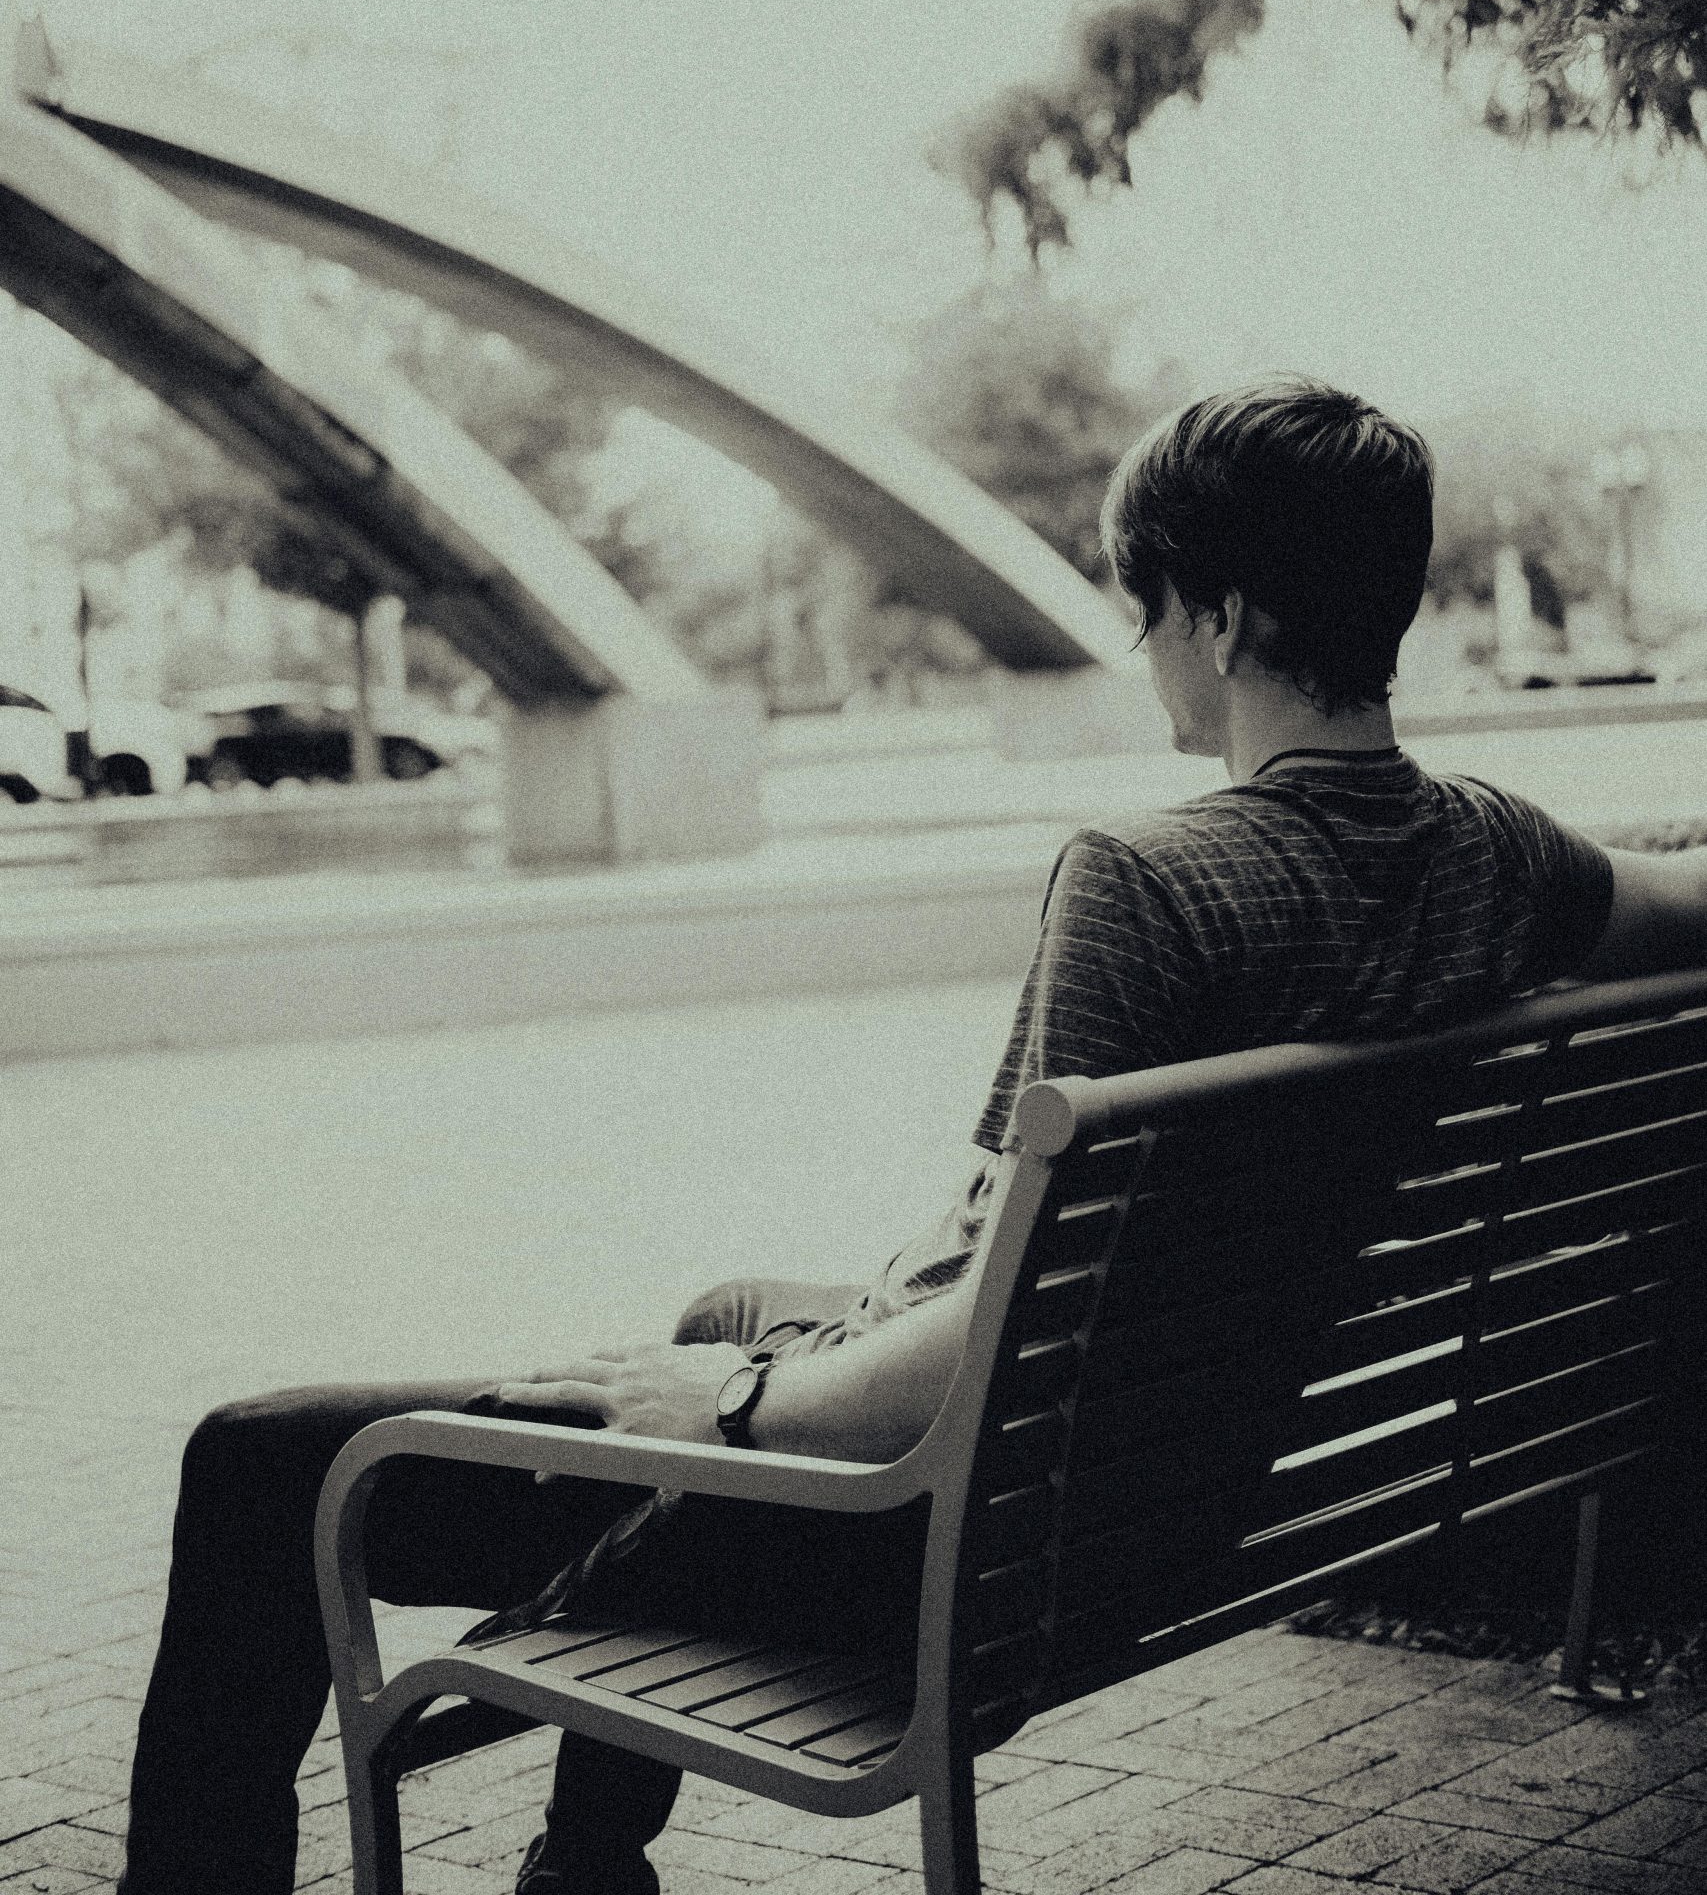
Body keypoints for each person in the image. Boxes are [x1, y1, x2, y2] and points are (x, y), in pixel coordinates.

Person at [117, 378, 1707, 1895]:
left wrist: (732, 1409)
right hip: (1161, 1503)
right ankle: (586, 1864)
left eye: (1147, 606)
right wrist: (737, 1364)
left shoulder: (1148, 885)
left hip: (924, 1533)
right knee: (727, 1304)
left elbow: (992, 1346)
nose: (1141, 644)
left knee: (260, 1462)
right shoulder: (1495, 854)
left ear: (1222, 619)